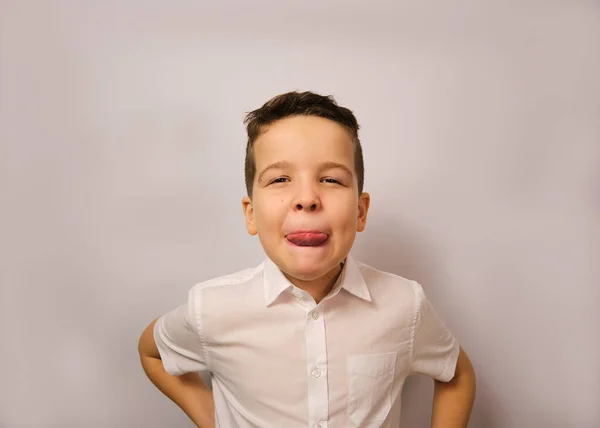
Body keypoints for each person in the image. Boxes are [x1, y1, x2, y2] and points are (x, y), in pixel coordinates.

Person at [137, 91, 476, 427]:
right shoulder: (210, 308)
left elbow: (456, 374)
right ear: (251, 214)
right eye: (280, 179)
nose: (307, 199)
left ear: (360, 211)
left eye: (330, 179)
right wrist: (212, 419)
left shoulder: (404, 305)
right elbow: (151, 352)